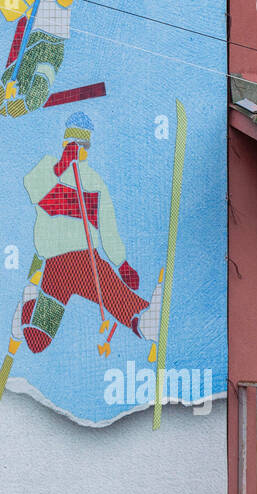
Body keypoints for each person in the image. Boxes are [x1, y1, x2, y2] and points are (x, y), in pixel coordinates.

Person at [13, 111, 163, 355]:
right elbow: (32, 188)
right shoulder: (49, 167)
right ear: (65, 143)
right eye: (73, 143)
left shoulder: (94, 182)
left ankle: (141, 319)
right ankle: (28, 309)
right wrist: (61, 165)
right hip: (56, 263)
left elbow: (108, 228)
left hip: (85, 258)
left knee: (109, 288)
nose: (77, 149)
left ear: (88, 147)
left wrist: (122, 263)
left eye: (82, 144)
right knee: (38, 341)